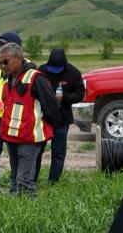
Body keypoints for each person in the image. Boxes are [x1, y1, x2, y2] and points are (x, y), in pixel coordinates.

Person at [0, 42, 60, 195]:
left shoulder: (36, 78)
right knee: (14, 178)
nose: (2, 65)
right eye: (0, 62)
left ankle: (30, 215)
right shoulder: (7, 81)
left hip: (30, 139)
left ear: (18, 58)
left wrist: (50, 130)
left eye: (6, 61)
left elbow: (51, 107)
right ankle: (15, 212)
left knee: (24, 181)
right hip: (12, 138)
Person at [34, 48, 85, 183]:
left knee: (58, 153)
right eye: (53, 68)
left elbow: (80, 94)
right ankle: (32, 179)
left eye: (58, 69)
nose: (55, 72)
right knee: (37, 151)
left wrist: (64, 97)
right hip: (42, 120)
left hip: (62, 120)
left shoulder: (73, 73)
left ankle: (53, 181)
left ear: (65, 64)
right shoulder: (41, 71)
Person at [0, 31, 25, 194]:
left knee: (14, 158)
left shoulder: (25, 65)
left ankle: (14, 190)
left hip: (13, 119)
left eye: (4, 45)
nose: (0, 48)